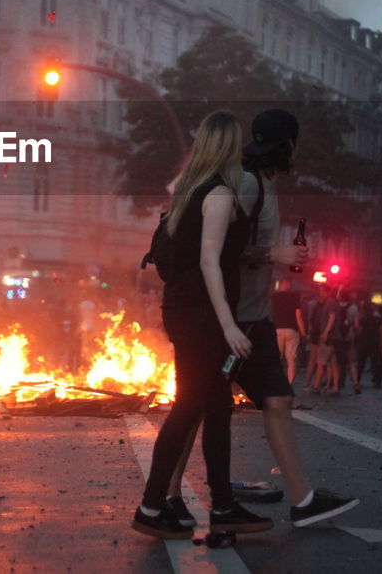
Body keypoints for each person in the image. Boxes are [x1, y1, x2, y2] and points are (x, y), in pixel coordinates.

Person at [162, 108, 359, 530]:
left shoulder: (263, 181)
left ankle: (302, 500)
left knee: (276, 399)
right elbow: (214, 251)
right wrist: (275, 254)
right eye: (294, 143)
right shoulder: (246, 184)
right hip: (231, 321)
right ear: (286, 144)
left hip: (255, 318)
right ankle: (170, 495)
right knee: (197, 406)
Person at [132, 110, 271, 540]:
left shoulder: (188, 192)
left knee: (215, 407)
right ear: (229, 147)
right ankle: (152, 507)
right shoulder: (219, 195)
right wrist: (228, 325)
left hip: (185, 310)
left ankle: (222, 506)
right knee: (190, 406)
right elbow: (210, 260)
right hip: (203, 316)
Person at [269, 283, 303, 386]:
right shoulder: (294, 297)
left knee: (277, 358)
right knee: (291, 360)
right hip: (291, 330)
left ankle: (276, 383)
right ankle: (289, 384)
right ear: (289, 286)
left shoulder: (274, 297)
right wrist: (303, 331)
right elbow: (299, 316)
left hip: (277, 329)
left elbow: (270, 314)